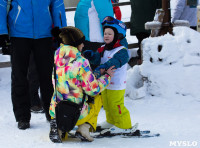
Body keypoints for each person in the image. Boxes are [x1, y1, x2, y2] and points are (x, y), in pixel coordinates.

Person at [0, 0, 67, 130]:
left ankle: (51, 112)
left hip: (44, 34)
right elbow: (1, 4)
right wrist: (2, 32)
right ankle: (22, 117)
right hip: (18, 34)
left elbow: (57, 4)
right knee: (19, 76)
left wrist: (61, 30)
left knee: (47, 76)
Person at [49, 26, 115, 143]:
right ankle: (84, 128)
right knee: (98, 96)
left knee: (64, 93)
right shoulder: (81, 61)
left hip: (57, 108)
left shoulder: (57, 56)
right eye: (81, 43)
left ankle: (59, 128)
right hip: (76, 111)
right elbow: (93, 90)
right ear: (75, 44)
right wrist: (107, 77)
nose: (83, 45)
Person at [84, 16, 136, 134]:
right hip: (105, 83)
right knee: (107, 104)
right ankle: (111, 121)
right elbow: (97, 59)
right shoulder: (103, 48)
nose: (106, 35)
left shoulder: (122, 51)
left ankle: (124, 125)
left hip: (117, 84)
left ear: (117, 36)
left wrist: (102, 68)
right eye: (105, 33)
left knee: (116, 105)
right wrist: (91, 56)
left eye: (109, 34)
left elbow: (114, 62)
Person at [129, 0, 162, 65]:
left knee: (142, 43)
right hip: (150, 22)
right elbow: (160, 6)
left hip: (137, 22)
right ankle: (147, 62)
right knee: (150, 44)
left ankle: (142, 61)